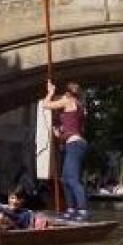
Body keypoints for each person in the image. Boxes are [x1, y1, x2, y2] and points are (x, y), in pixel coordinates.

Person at [42, 79, 89, 221]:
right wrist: (60, 135)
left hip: (74, 145)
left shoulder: (68, 101)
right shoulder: (80, 107)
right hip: (75, 143)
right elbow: (74, 129)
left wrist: (50, 92)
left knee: (73, 180)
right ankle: (71, 209)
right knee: (65, 179)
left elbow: (46, 105)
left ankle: (82, 210)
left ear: (67, 94)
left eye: (63, 94)